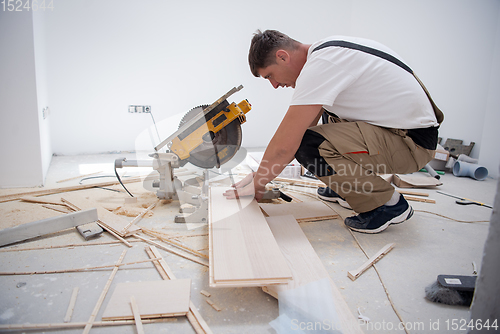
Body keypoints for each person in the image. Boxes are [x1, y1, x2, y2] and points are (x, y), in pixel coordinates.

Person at [224, 30, 443, 234]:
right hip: (402, 132)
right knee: (322, 124)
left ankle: (387, 205)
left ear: (282, 57)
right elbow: (301, 128)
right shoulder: (327, 53)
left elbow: (287, 145)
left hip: (411, 144)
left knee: (309, 145)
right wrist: (260, 175)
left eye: (270, 75)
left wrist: (258, 183)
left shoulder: (321, 66)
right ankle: (348, 189)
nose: (274, 85)